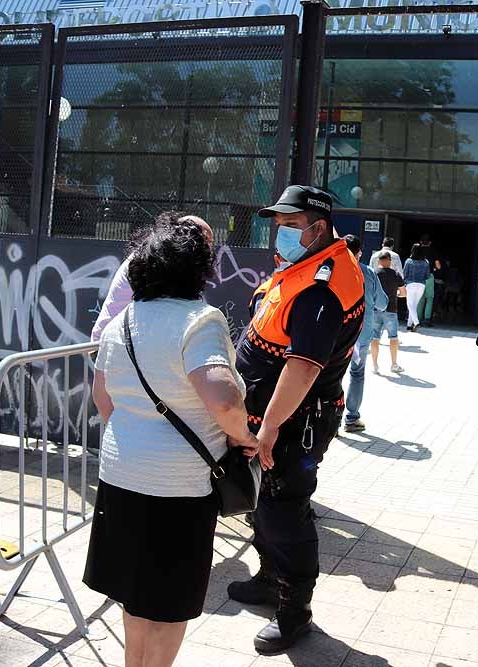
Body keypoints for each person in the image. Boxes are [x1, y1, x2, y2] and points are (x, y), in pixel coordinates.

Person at [84, 217, 258, 667]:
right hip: (179, 489)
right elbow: (221, 397)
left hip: (120, 476)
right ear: (197, 268)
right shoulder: (201, 320)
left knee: (134, 597)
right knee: (168, 604)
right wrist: (245, 436)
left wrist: (135, 435)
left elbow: (103, 398)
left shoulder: (121, 322)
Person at [228, 185, 364, 654]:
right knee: (263, 504)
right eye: (278, 225)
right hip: (269, 419)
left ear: (318, 228)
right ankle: (270, 579)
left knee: (286, 510)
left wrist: (268, 427)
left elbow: (303, 366)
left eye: (290, 225)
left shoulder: (324, 287)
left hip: (294, 424)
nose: (279, 234)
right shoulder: (300, 269)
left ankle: (294, 610)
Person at [91, 215, 214, 341]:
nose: (210, 248)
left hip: (130, 340)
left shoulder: (162, 257)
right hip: (112, 342)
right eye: (206, 240)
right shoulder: (155, 260)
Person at [342, 234, 388, 433]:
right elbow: (382, 303)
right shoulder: (368, 273)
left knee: (330, 374)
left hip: (334, 334)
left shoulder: (330, 270)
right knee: (356, 374)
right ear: (359, 253)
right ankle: (351, 419)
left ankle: (330, 419)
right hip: (360, 334)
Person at [371, 251, 404, 374]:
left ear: (379, 261)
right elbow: (403, 293)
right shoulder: (395, 274)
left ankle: (375, 365)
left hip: (375, 309)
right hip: (391, 310)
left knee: (374, 337)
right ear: (390, 261)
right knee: (393, 337)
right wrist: (395, 294)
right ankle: (394, 364)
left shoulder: (374, 274)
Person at [402, 243, 430, 332]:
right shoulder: (426, 262)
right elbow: (427, 275)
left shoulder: (408, 261)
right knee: (414, 305)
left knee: (410, 305)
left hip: (410, 285)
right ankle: (409, 325)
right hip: (421, 285)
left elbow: (404, 274)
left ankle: (416, 322)